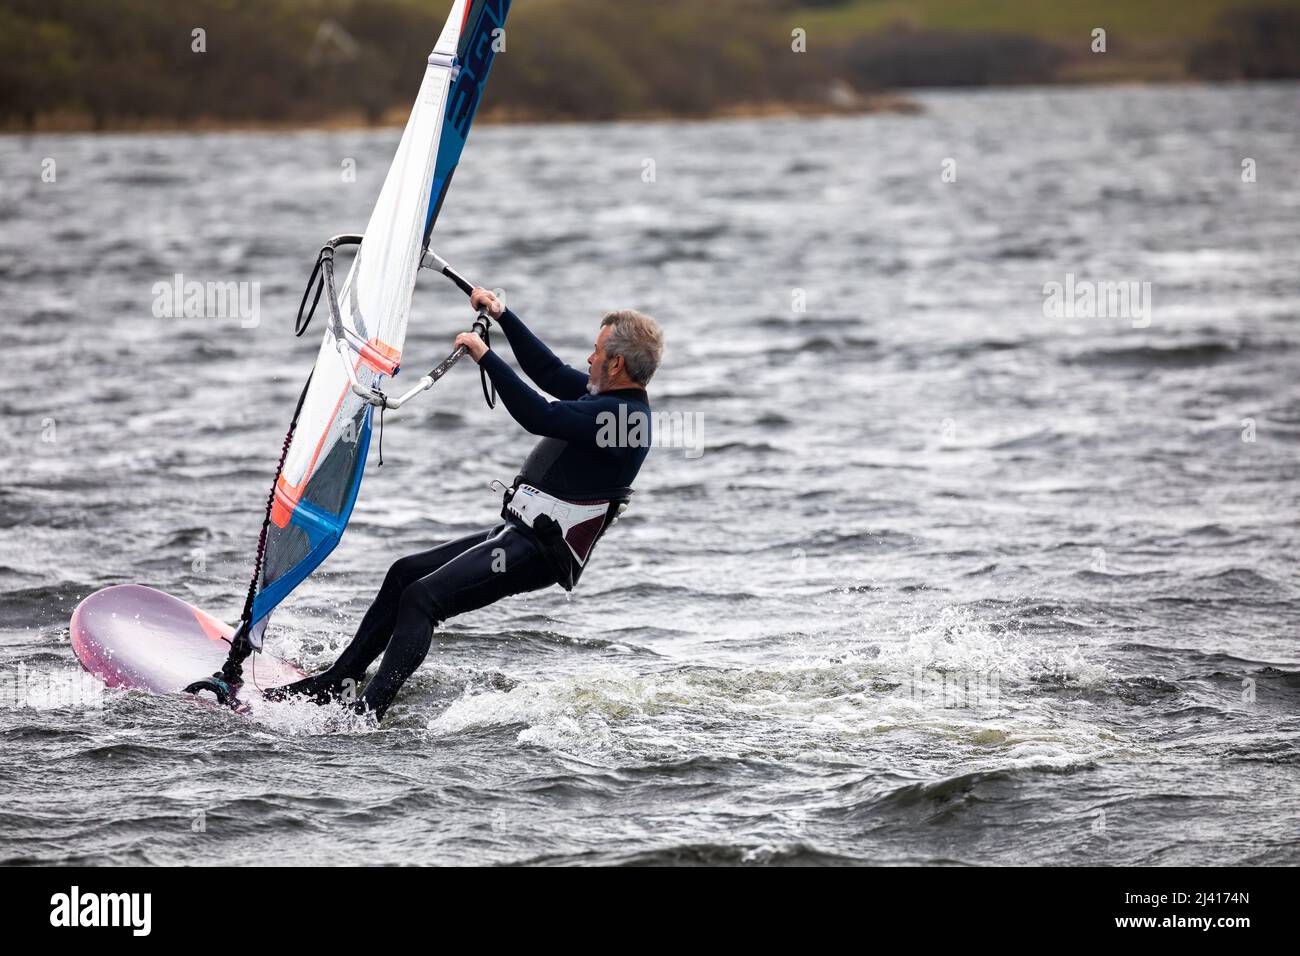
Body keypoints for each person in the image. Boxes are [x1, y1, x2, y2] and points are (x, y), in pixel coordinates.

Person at [265, 289, 663, 720]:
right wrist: (504, 316)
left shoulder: (623, 420)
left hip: (540, 552)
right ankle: (337, 683)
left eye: (596, 350)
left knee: (422, 599)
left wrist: (484, 355)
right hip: (520, 535)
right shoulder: (608, 399)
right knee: (404, 574)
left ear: (617, 363)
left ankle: (367, 713)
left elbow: (540, 416)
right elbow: (548, 373)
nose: (589, 359)